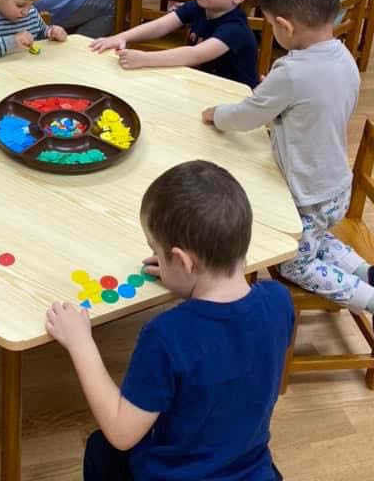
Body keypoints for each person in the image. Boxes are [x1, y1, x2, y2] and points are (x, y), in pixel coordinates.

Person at [203, 0, 374, 364]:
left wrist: (215, 115)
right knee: (317, 239)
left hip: (307, 194)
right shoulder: (344, 58)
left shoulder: (292, 71)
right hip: (336, 187)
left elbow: (246, 116)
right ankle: (371, 273)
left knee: (294, 264)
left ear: (285, 26)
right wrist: (278, 99)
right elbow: (313, 109)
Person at [45, 160, 293, 481]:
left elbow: (122, 433)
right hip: (252, 471)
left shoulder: (166, 336)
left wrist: (81, 343)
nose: (157, 260)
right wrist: (184, 280)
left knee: (101, 449)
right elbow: (231, 350)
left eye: (158, 252)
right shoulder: (279, 301)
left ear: (182, 260)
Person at [91, 0, 259, 88]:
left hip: (233, 97)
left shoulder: (235, 28)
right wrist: (121, 37)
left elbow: (194, 55)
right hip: (200, 83)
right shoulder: (200, 6)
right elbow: (161, 25)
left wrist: (145, 58)